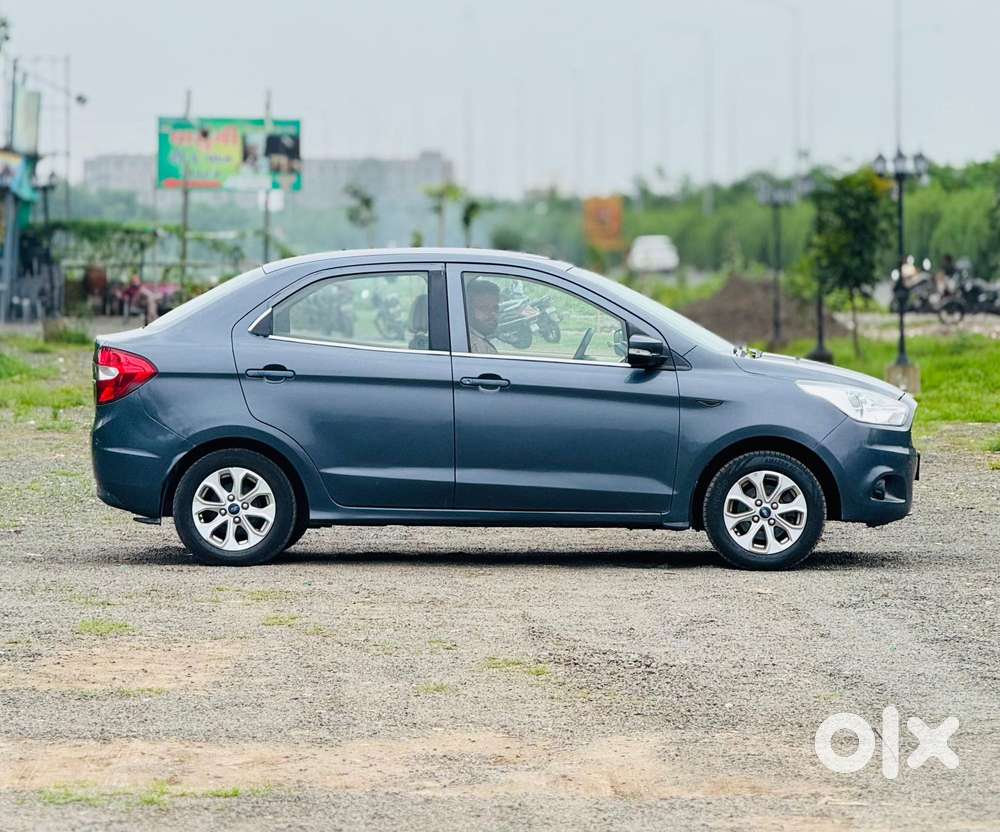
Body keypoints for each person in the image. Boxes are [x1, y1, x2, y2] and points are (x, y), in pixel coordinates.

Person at [465, 279, 500, 354]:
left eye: (495, 308)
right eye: (484, 308)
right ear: (468, 310)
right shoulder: (476, 347)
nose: (492, 314)